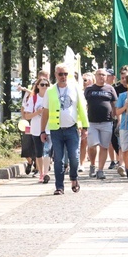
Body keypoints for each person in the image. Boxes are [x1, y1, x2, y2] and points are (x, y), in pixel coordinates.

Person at [40, 63, 89, 195]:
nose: (63, 77)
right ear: (55, 75)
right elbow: (45, 111)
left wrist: (85, 126)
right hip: (56, 129)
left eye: (65, 74)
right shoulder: (50, 91)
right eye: (60, 74)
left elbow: (82, 109)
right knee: (58, 159)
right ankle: (59, 186)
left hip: (72, 128)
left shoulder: (75, 88)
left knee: (74, 157)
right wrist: (42, 130)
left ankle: (74, 178)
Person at [85, 68, 118, 180]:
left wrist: (117, 117)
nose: (101, 77)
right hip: (92, 122)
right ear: (95, 76)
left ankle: (100, 170)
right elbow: (84, 104)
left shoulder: (110, 89)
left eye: (103, 75)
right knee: (92, 145)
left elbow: (114, 104)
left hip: (106, 121)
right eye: (99, 74)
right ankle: (92, 164)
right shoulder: (89, 89)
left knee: (104, 146)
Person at [23, 77, 51, 183]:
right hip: (36, 129)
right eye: (42, 84)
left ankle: (46, 173)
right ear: (38, 86)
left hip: (49, 128)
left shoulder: (51, 97)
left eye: (46, 85)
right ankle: (41, 173)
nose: (44, 87)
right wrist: (37, 112)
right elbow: (27, 116)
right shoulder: (33, 98)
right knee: (39, 152)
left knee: (47, 151)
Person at [109, 66, 128, 171]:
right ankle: (121, 161)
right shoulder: (115, 88)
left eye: (126, 77)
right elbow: (114, 104)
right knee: (115, 141)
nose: (124, 80)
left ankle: (122, 163)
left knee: (125, 143)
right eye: (122, 78)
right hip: (118, 117)